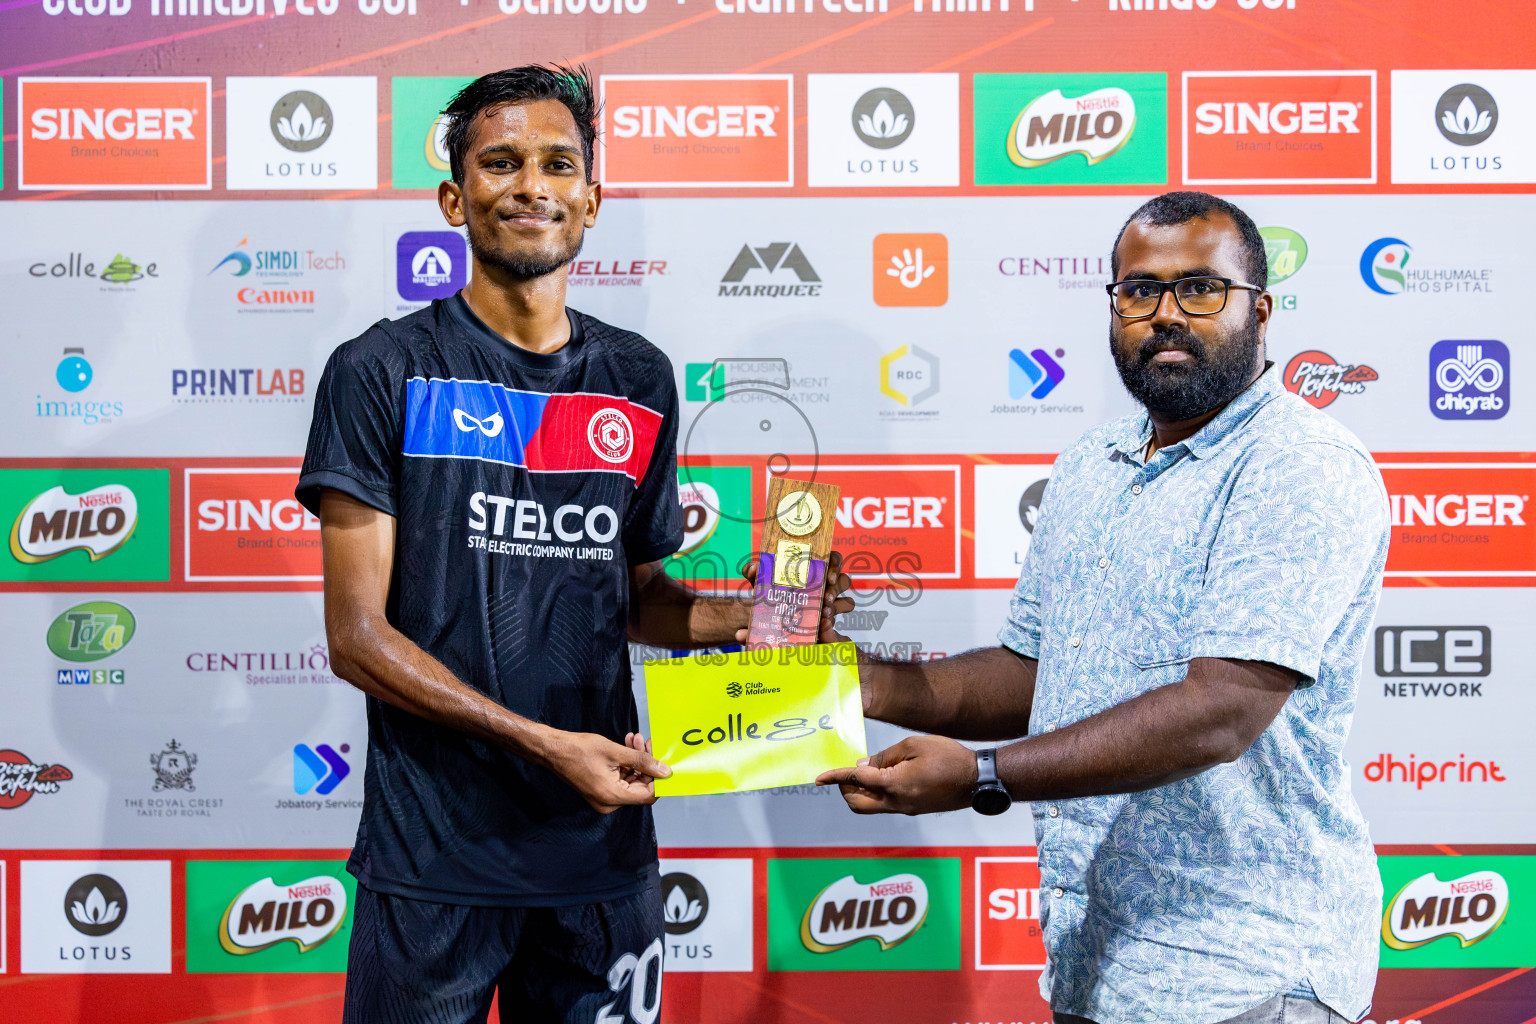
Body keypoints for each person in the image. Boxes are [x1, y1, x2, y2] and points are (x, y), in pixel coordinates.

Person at [296, 65, 849, 1024]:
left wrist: (767, 618)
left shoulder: (638, 376)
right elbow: (356, 637)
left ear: (590, 202)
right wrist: (546, 746)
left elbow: (635, 597)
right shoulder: (380, 369)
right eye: (500, 162)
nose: (531, 186)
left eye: (558, 164)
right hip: (434, 859)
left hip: (601, 856)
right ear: (452, 196)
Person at [817, 192, 1388, 1024]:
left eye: (1200, 290)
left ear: (1260, 312)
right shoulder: (1093, 463)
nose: (1165, 314)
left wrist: (981, 777)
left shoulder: (1299, 465)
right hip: (1098, 959)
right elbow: (1034, 674)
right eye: (1138, 291)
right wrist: (851, 682)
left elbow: (1218, 714)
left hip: (1246, 970)